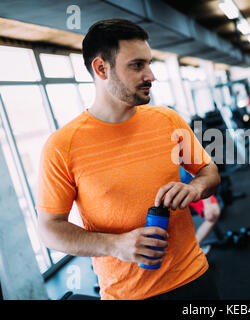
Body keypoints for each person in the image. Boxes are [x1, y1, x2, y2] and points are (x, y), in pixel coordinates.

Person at [36, 18, 221, 300]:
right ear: (101, 68)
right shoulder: (62, 146)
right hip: (128, 295)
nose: (150, 75)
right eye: (137, 65)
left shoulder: (167, 120)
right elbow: (50, 230)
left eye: (149, 63)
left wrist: (194, 188)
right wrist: (116, 245)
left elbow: (209, 172)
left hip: (194, 279)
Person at [180, 166, 221, 255]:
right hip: (167, 193)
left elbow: (200, 172)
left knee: (213, 214)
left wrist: (207, 204)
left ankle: (193, 248)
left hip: (191, 187)